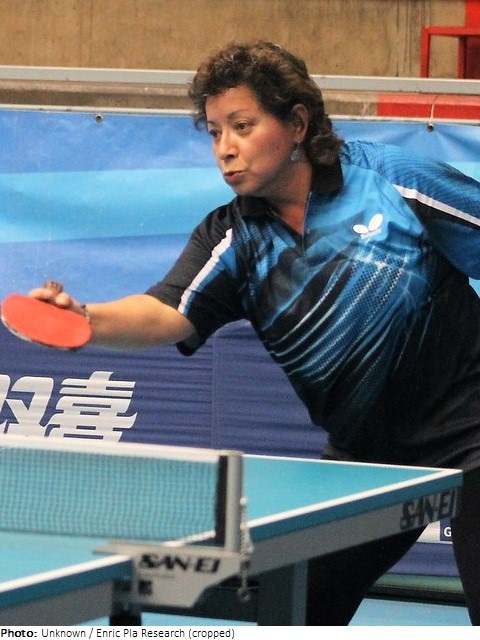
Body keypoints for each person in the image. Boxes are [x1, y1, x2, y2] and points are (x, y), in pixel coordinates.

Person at [29, 41, 480, 625]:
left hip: (472, 432)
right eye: (215, 132)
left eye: (242, 126)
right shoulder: (234, 239)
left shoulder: (389, 180)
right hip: (367, 458)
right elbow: (167, 310)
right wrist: (85, 319)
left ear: (297, 125)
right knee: (296, 611)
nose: (225, 148)